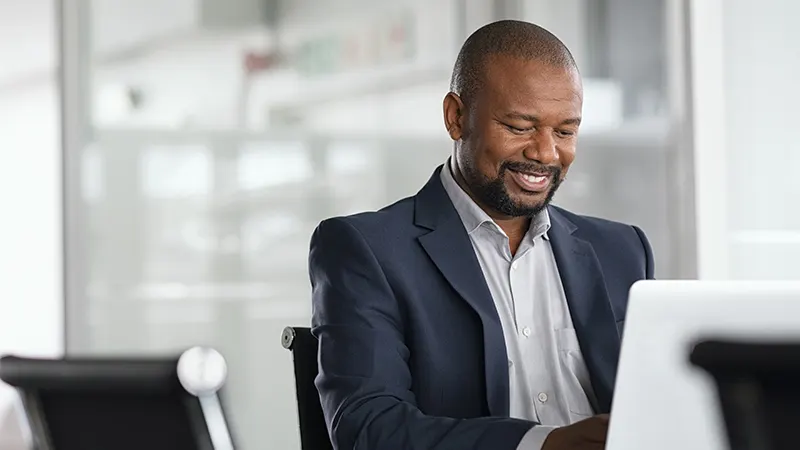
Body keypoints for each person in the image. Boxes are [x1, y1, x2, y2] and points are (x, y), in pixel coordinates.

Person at [308, 20, 654, 450]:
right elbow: (370, 429)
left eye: (565, 131)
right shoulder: (366, 250)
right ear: (456, 118)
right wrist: (544, 444)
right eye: (519, 127)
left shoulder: (621, 250)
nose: (545, 154)